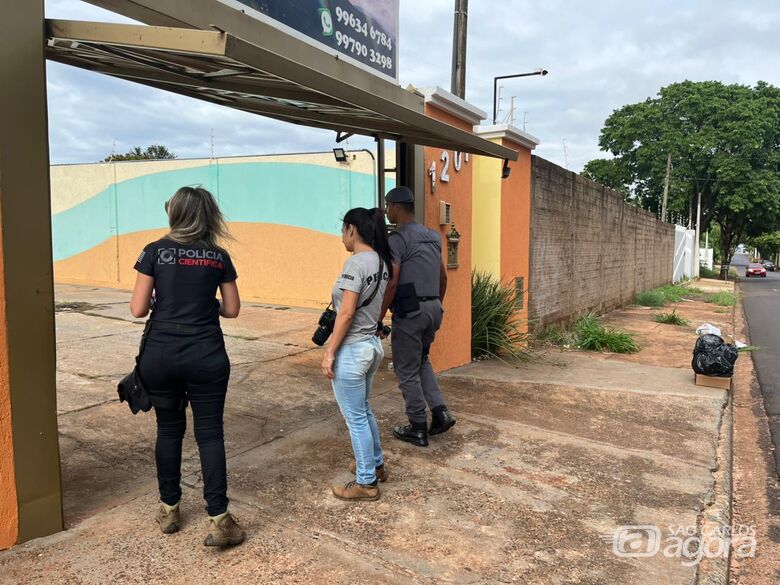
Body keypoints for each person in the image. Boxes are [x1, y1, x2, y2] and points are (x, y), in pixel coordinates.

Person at [130, 186, 245, 547]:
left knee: (168, 430)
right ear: (209, 216)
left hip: (160, 355)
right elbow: (232, 309)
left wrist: (160, 299)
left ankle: (169, 509)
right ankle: (220, 519)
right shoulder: (219, 257)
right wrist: (205, 301)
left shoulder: (153, 251)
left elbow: (137, 309)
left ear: (175, 214)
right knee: (210, 434)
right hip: (206, 354)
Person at [322, 207, 391, 501]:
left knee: (356, 418)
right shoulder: (381, 262)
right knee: (363, 411)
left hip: (352, 350)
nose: (341, 237)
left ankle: (365, 482)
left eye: (342, 230)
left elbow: (347, 312)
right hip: (371, 347)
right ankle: (374, 466)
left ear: (352, 229)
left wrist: (330, 351)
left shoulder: (355, 264)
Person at [379, 186, 456, 447]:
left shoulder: (397, 239)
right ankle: (440, 412)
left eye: (388, 206)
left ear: (397, 207)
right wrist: (436, 305)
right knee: (422, 360)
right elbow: (442, 276)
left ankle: (417, 427)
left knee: (405, 369)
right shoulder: (433, 236)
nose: (387, 211)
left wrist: (378, 317)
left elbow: (392, 281)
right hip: (433, 307)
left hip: (411, 311)